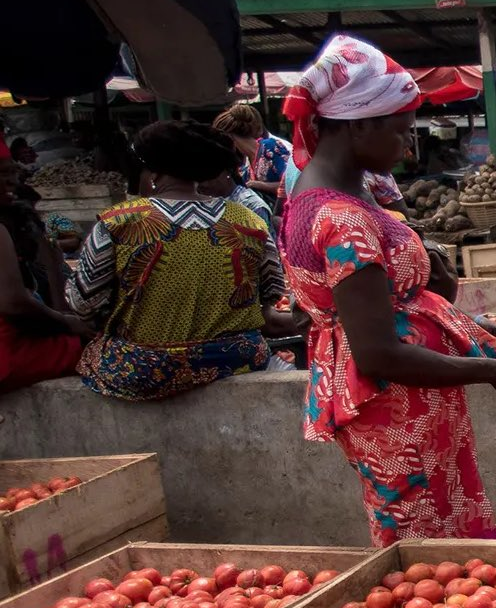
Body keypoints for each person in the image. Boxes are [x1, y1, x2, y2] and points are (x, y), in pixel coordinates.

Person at [278, 35, 496, 545]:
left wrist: (451, 312)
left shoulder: (337, 193)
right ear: (358, 124)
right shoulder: (341, 218)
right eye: (400, 131)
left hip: (412, 405)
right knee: (422, 544)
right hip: (394, 408)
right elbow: (377, 353)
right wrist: (494, 370)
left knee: (443, 533)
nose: (409, 146)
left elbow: (381, 303)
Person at [65, 123, 289, 401]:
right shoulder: (249, 221)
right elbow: (271, 295)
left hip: (143, 367)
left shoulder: (118, 222)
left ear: (153, 172)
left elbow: (83, 304)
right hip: (235, 359)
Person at [0, 144, 91, 391]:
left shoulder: (41, 225)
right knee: (101, 350)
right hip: (8, 356)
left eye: (13, 172)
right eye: (3, 173)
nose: (12, 181)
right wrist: (67, 322)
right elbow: (13, 303)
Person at [213, 103, 292, 210]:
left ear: (229, 137)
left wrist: (259, 185)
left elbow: (293, 184)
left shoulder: (270, 147)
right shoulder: (244, 166)